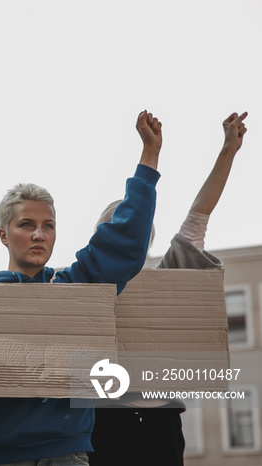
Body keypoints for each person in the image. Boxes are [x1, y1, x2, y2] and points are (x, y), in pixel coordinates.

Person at [0, 110, 163, 465]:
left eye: (48, 225)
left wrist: (149, 159)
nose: (38, 234)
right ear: (3, 233)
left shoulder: (74, 289)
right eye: (26, 224)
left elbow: (122, 243)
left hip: (66, 453)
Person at [88, 111, 248, 466]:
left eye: (137, 232)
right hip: (101, 424)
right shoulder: (79, 286)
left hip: (159, 426)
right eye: (117, 231)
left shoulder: (167, 280)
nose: (128, 238)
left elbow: (198, 215)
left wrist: (228, 151)